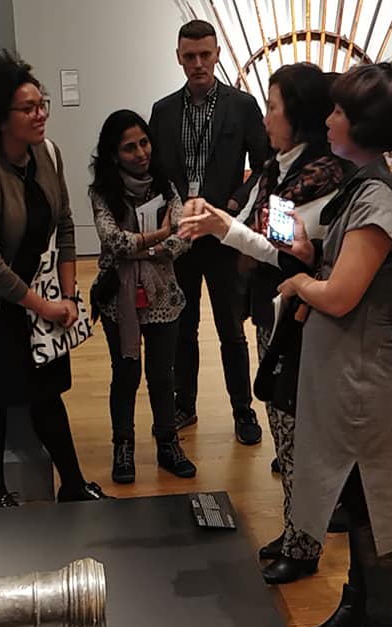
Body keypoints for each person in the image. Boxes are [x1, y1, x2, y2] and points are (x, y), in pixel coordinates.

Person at [279, 63, 392, 627]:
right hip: (358, 364)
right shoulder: (384, 174)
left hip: (366, 371)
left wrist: (301, 280)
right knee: (361, 494)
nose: (327, 119)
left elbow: (343, 294)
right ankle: (359, 607)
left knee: (374, 499)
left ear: (365, 126)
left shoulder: (376, 194)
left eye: (339, 112)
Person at [177, 63, 345, 584]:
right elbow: (257, 225)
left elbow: (285, 255)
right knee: (283, 425)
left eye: (273, 107)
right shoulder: (280, 167)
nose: (266, 116)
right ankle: (297, 527)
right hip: (275, 310)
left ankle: (304, 541)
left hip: (307, 316)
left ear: (299, 117)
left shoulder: (324, 177)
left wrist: (220, 226)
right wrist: (220, 218)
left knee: (302, 432)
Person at [0, 51, 108, 507]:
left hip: (40, 293)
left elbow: (67, 224)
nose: (40, 115)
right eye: (28, 108)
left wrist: (69, 292)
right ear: (0, 118)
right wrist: (43, 305)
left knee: (46, 394)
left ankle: (73, 485)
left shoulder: (48, 154)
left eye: (43, 104)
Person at [149, 19, 271, 444]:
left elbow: (264, 166)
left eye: (205, 54)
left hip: (223, 231)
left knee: (231, 328)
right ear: (178, 57)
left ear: (217, 54)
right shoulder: (163, 111)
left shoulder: (243, 105)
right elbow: (157, 170)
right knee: (182, 327)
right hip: (182, 236)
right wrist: (175, 205)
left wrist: (233, 206)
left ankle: (243, 409)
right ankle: (185, 404)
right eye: (189, 56)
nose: (198, 63)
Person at [89, 110, 196, 484]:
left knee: (162, 377)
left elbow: (183, 237)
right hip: (120, 301)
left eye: (144, 142)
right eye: (129, 147)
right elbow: (113, 240)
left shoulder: (165, 184)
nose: (140, 153)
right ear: (114, 154)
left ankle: (168, 444)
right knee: (126, 375)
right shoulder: (102, 191)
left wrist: (143, 249)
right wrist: (157, 239)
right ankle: (124, 446)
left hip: (164, 296)